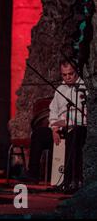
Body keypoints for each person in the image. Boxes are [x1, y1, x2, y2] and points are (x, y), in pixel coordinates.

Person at [27, 60, 87, 192]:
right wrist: (54, 128)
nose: (67, 77)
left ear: (76, 71)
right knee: (38, 134)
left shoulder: (84, 88)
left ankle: (70, 180)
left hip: (76, 127)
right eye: (64, 75)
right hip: (60, 127)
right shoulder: (60, 89)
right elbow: (53, 110)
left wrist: (68, 123)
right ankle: (33, 175)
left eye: (70, 74)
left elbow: (85, 114)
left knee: (73, 133)